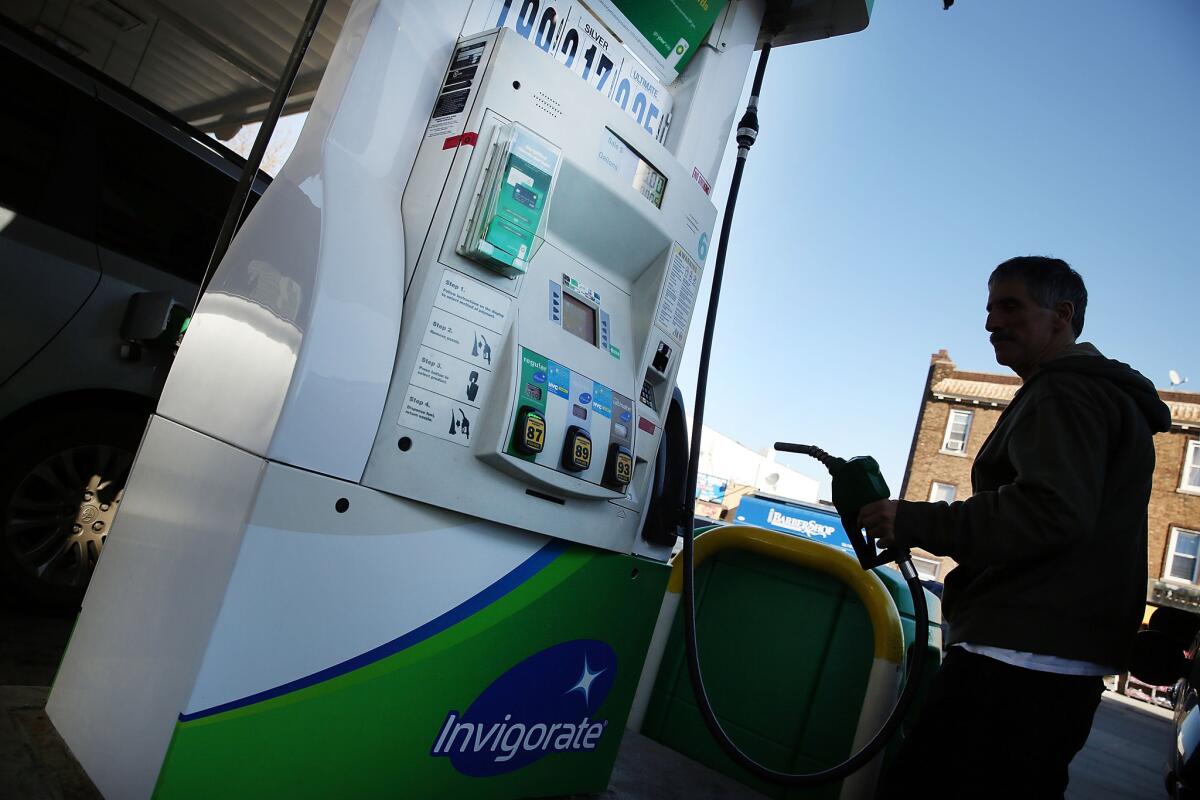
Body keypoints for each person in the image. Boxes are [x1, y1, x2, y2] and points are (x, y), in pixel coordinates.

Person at [861, 256, 1171, 797]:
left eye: (1010, 307)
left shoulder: (1065, 392)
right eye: (988, 309)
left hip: (1013, 663)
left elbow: (1047, 511)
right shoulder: (1103, 397)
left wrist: (914, 519)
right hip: (1058, 667)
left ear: (1062, 315)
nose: (990, 324)